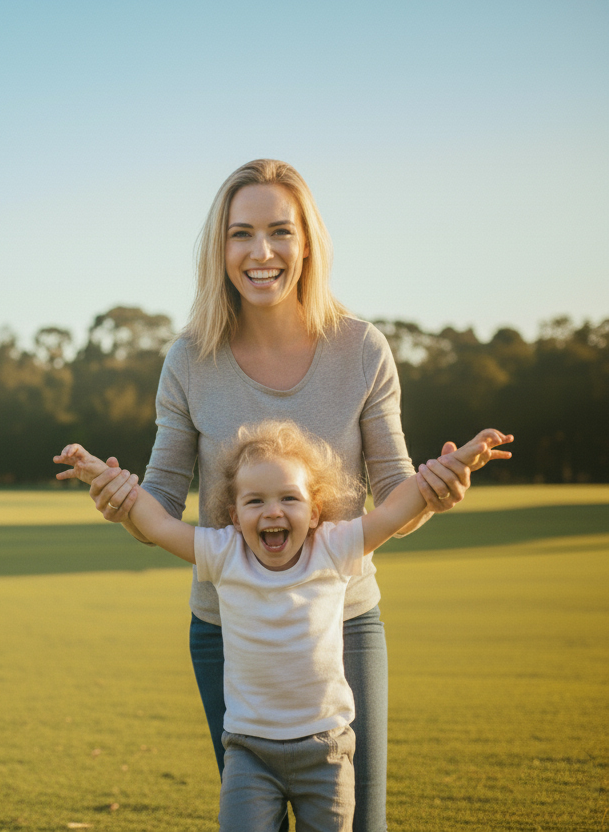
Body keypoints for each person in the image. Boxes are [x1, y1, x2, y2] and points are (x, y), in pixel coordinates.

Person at [78, 159, 477, 831]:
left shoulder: (361, 349)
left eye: (279, 232)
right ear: (220, 248)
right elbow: (162, 500)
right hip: (227, 634)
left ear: (307, 243)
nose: (261, 252)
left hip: (344, 626)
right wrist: (125, 503)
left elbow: (394, 496)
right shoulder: (188, 360)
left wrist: (434, 491)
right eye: (241, 234)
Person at [55, 423, 512, 831]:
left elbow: (394, 512)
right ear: (235, 517)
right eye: (255, 501)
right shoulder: (224, 553)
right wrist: (104, 477)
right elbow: (155, 523)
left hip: (327, 753)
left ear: (314, 512)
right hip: (249, 754)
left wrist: (454, 463)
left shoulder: (334, 548)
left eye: (289, 498)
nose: (272, 512)